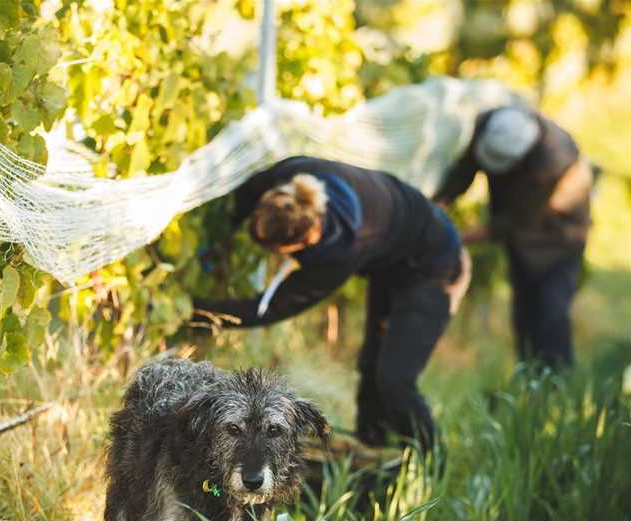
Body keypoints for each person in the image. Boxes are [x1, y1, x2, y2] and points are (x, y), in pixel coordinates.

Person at [192, 156, 470, 452]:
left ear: (303, 244)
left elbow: (271, 308)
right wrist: (222, 238)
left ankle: (431, 461)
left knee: (394, 378)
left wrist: (195, 311)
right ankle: (371, 448)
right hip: (393, 258)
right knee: (370, 364)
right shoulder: (294, 177)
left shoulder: (341, 253)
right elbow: (246, 194)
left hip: (436, 267)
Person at [433, 107, 593, 368]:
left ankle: (557, 380)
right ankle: (528, 374)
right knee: (524, 309)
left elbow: (512, 224)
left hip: (560, 234)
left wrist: (453, 237)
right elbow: (463, 172)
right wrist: (435, 208)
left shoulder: (552, 161)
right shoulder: (491, 126)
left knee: (551, 309)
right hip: (521, 233)